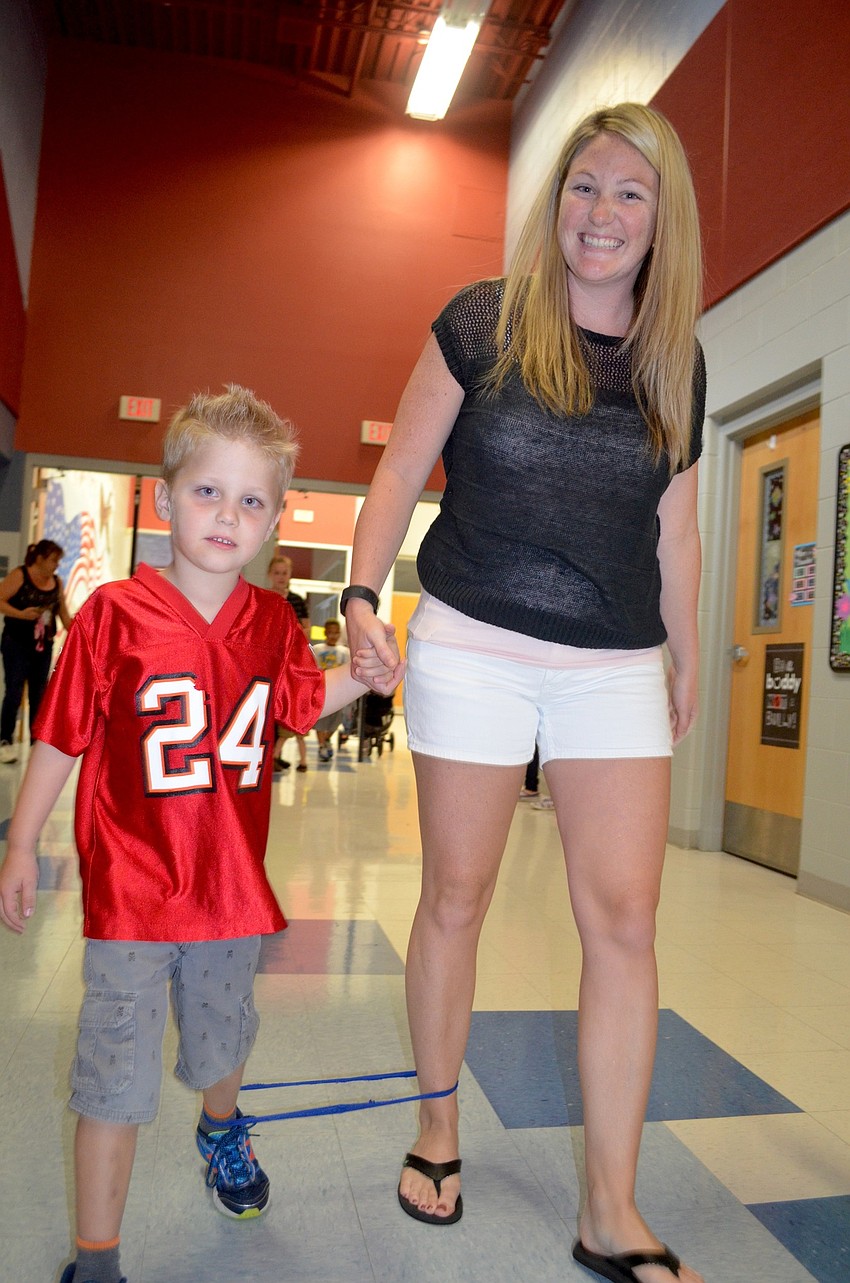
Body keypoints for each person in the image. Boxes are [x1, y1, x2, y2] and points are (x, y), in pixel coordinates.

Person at [344, 103, 705, 1283]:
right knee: (457, 891)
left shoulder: (674, 359)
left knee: (626, 922)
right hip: (474, 638)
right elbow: (403, 463)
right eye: (583, 187)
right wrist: (359, 595)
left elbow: (676, 524)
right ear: (555, 202)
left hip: (611, 658)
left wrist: (685, 647)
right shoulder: (481, 321)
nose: (599, 215)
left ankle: (611, 1207)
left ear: (662, 221)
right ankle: (438, 1127)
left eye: (628, 195)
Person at [0, 385, 398, 1283]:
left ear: (273, 520)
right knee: (111, 1078)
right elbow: (62, 735)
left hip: (228, 896)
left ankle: (222, 1126)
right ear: (166, 497)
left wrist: (361, 675)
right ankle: (95, 1259)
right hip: (131, 900)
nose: (228, 513)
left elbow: (299, 702)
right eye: (210, 491)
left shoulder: (271, 625)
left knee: (223, 1041)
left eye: (251, 499)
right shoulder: (109, 617)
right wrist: (21, 843)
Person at [0, 539, 73, 762]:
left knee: (39, 693)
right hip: (17, 642)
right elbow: (0, 599)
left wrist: (77, 634)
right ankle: (5, 740)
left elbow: (62, 611)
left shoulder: (56, 582)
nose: (55, 566)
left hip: (43, 644)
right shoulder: (20, 575)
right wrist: (21, 614)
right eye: (53, 560)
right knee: (13, 691)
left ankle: (36, 741)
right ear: (40, 558)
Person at [267, 552, 310, 772]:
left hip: (288, 660)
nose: (281, 577)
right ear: (269, 575)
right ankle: (268, 753)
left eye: (285, 573)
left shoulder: (296, 601)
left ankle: (275, 753)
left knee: (283, 704)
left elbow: (305, 629)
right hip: (266, 658)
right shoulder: (262, 597)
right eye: (277, 573)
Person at [312, 617, 351, 761]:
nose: (333, 636)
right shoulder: (317, 649)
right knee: (321, 721)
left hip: (338, 692)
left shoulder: (345, 652)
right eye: (330, 633)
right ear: (325, 633)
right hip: (321, 690)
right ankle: (322, 745)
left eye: (336, 633)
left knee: (336, 720)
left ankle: (327, 739)